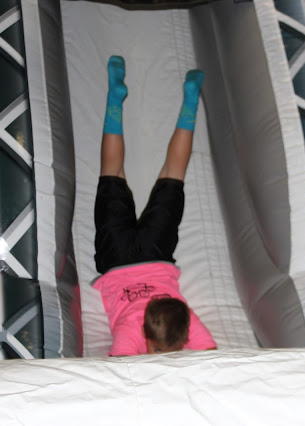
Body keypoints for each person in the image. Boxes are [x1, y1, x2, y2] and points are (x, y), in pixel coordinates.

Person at [92, 55, 216, 356]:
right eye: (159, 350)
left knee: (172, 176)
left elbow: (211, 352)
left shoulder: (182, 319)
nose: (164, 356)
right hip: (120, 257)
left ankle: (189, 101)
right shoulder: (130, 331)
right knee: (112, 174)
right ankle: (117, 96)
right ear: (144, 333)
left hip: (150, 253)